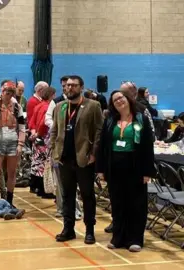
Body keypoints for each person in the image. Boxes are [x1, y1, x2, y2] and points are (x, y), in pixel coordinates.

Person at [96, 90, 156, 252]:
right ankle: (118, 237)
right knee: (117, 204)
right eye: (115, 100)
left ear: (128, 99)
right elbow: (102, 146)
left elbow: (147, 147)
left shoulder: (140, 119)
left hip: (135, 168)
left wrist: (147, 171)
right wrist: (100, 169)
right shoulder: (110, 120)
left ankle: (135, 238)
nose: (119, 102)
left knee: (136, 204)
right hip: (115, 168)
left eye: (121, 98)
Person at [49, 75, 103, 244]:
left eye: (74, 85)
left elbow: (99, 131)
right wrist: (53, 149)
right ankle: (68, 228)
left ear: (81, 87)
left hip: (84, 159)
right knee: (67, 196)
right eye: (67, 85)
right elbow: (54, 131)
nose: (69, 88)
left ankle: (90, 230)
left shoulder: (93, 106)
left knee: (87, 195)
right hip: (64, 159)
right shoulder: (60, 107)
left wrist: (93, 154)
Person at [0, 81, 26, 215]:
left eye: (10, 91)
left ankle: (9, 201)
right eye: (5, 91)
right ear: (1, 91)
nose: (8, 94)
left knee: (12, 172)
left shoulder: (17, 107)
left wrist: (20, 144)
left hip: (13, 142)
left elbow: (22, 127)